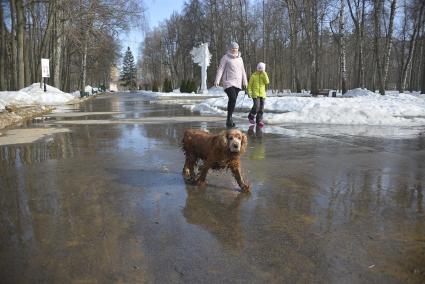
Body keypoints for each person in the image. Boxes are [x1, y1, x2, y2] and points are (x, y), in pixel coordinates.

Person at [214, 42, 248, 128]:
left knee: (233, 100)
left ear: (238, 49)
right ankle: (229, 118)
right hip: (228, 82)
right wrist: (217, 80)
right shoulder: (225, 58)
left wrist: (245, 82)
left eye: (235, 49)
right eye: (232, 48)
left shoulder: (240, 59)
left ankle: (229, 118)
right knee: (232, 98)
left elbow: (243, 71)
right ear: (230, 49)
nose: (234, 50)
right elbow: (220, 69)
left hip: (238, 82)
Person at [247, 62, 269, 127]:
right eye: (259, 68)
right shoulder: (253, 76)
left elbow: (267, 82)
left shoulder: (264, 75)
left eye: (261, 68)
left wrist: (264, 73)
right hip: (255, 94)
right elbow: (250, 85)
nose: (260, 69)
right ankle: (251, 116)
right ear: (257, 68)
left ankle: (259, 120)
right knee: (257, 106)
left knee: (261, 108)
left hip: (262, 94)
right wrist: (249, 92)